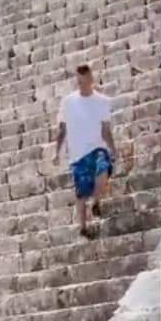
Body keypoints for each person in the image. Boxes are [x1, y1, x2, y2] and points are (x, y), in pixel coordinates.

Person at [53, 64, 116, 240]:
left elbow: (106, 130)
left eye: (85, 80)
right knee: (81, 193)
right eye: (79, 81)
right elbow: (62, 130)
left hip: (97, 147)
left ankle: (96, 201)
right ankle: (82, 227)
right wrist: (56, 152)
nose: (82, 84)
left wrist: (113, 148)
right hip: (78, 154)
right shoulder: (68, 102)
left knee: (103, 171)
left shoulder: (102, 101)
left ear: (91, 79)